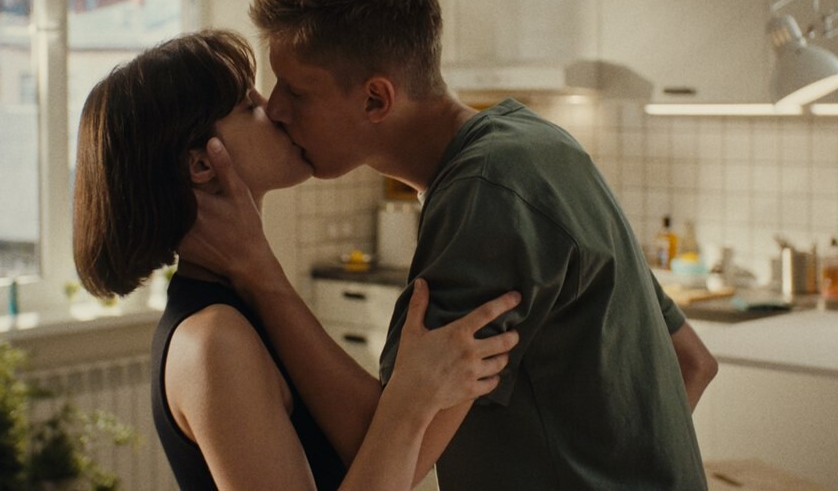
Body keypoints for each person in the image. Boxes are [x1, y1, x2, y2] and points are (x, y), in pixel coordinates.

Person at [178, 0, 720, 489]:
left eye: (296, 91)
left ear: (376, 99)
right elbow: (694, 361)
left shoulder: (488, 192)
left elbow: (386, 448)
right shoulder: (540, 146)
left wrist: (260, 272)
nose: (275, 109)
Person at [71, 29, 522, 490]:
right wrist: (412, 400)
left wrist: (415, 399)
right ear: (202, 164)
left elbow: (370, 450)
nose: (275, 110)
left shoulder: (244, 303)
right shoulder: (215, 341)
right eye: (248, 106)